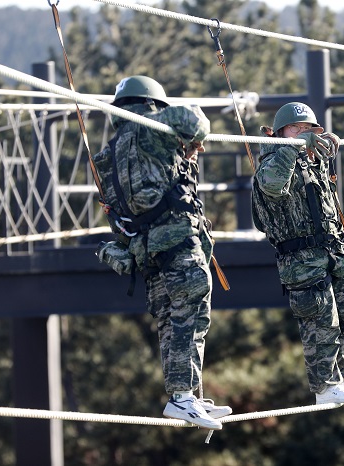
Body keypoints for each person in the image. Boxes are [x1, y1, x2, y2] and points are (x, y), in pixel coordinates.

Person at [93, 75, 230, 430]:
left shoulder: (108, 156)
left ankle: (184, 395)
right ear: (151, 104)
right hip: (176, 239)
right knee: (192, 310)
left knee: (172, 318)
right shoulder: (151, 125)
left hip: (147, 249)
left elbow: (116, 213)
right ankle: (182, 396)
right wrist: (190, 141)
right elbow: (196, 121)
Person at [251, 102, 344, 406]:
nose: (304, 134)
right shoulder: (272, 163)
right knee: (321, 323)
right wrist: (293, 148)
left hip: (333, 253)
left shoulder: (312, 161)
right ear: (280, 133)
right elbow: (273, 186)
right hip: (302, 260)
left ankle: (341, 379)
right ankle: (324, 385)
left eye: (309, 130)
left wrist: (325, 147)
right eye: (296, 129)